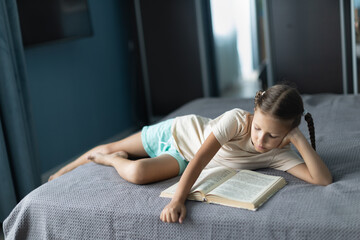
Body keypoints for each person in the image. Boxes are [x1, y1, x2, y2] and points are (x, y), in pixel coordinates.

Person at [48, 84, 332, 224]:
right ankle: (66, 170)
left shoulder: (278, 153)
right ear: (253, 113)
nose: (260, 139)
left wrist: (297, 137)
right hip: (179, 134)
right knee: (110, 146)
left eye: (273, 135)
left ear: (287, 133)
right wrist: (178, 200)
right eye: (258, 128)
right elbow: (201, 158)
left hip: (181, 160)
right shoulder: (236, 120)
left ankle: (113, 161)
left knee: (138, 172)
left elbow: (322, 180)